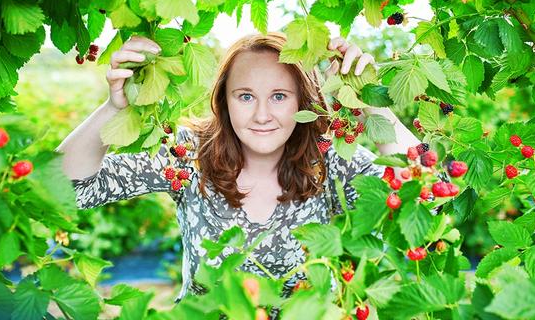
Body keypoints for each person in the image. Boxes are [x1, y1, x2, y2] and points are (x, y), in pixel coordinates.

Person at [56, 32, 420, 312]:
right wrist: (113, 107)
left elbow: (426, 199)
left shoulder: (327, 160)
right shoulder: (190, 156)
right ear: (224, 101)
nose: (262, 115)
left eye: (279, 96)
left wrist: (375, 108)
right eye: (245, 96)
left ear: (301, 101)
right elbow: (66, 187)